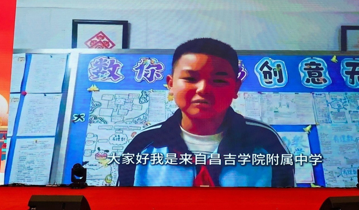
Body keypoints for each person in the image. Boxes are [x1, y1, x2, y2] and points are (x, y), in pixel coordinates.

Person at [118, 38, 295, 187]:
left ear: (236, 88)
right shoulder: (142, 145)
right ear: (171, 84)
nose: (203, 89)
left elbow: (288, 208)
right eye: (190, 78)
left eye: (218, 80)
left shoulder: (265, 141)